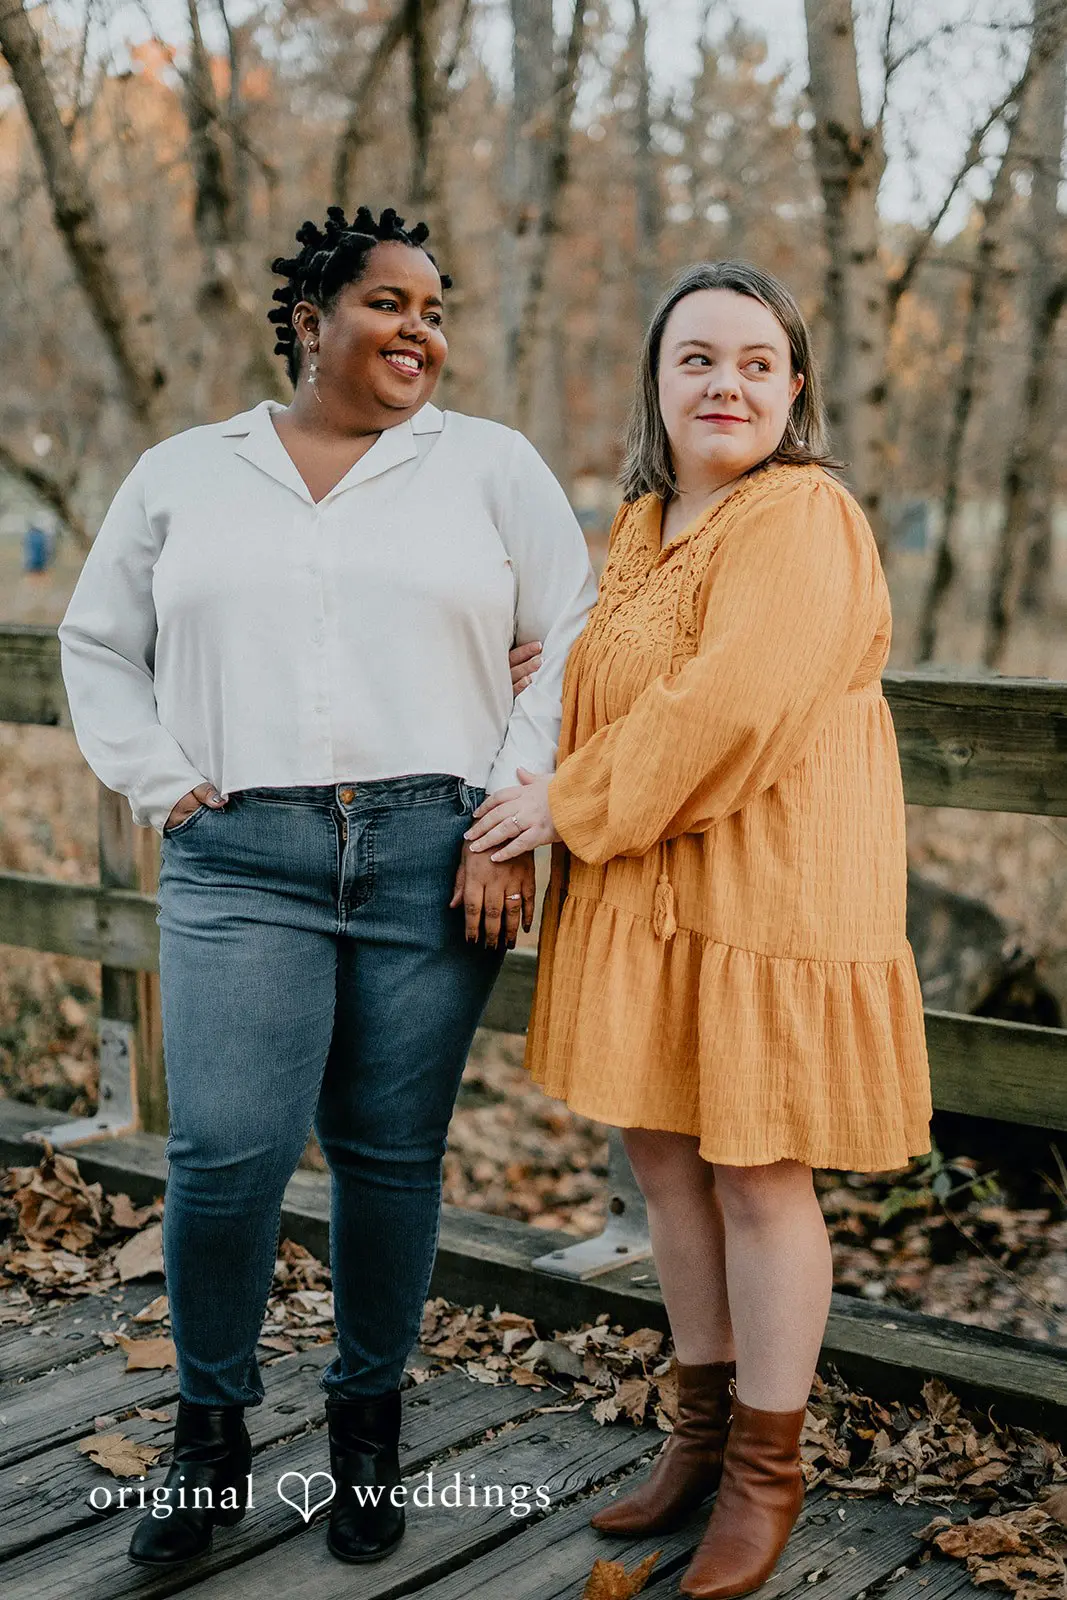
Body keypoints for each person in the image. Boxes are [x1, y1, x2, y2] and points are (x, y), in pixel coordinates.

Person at [58, 204, 595, 1570]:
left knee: (388, 1156)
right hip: (242, 854)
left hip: (436, 853)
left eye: (436, 310)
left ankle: (366, 1430)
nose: (423, 329)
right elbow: (97, 641)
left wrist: (503, 816)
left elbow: (576, 631)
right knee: (224, 1153)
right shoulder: (188, 471)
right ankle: (210, 1436)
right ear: (309, 316)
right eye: (391, 303)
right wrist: (159, 778)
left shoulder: (488, 467)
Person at [464, 261, 932, 1599]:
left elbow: (733, 705)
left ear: (792, 391)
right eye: (694, 360)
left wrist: (563, 801)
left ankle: (765, 1478)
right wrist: (538, 704)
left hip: (764, 896)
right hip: (645, 900)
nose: (723, 382)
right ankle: (698, 1437)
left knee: (756, 1178)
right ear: (657, 388)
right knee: (665, 1172)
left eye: (753, 361)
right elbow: (592, 676)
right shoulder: (642, 525)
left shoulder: (803, 518)